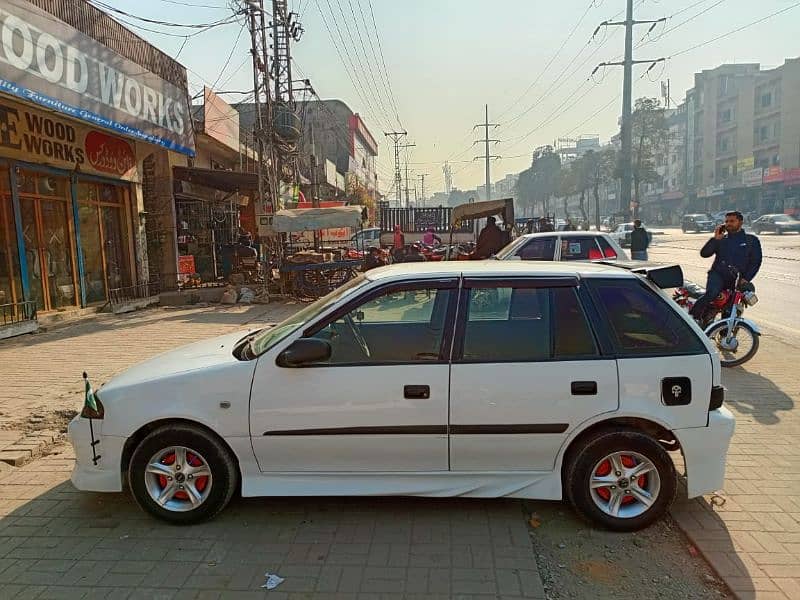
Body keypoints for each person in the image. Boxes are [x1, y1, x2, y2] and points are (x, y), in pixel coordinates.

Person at [689, 211, 762, 325]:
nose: (728, 224)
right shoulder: (721, 239)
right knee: (712, 293)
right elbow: (704, 254)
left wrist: (746, 278)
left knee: (731, 308)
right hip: (717, 275)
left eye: (732, 221)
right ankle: (692, 318)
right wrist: (715, 239)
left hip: (737, 279)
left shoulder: (751, 240)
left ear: (740, 222)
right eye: (726, 221)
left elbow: (756, 262)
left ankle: (723, 335)